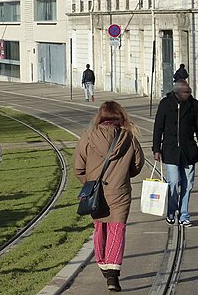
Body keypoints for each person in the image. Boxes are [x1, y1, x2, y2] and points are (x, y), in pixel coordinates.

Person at [74, 101, 145, 291]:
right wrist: (122, 175)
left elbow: (78, 167)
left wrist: (90, 184)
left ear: (101, 117)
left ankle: (104, 265)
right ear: (120, 116)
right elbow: (138, 165)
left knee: (100, 227)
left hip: (96, 192)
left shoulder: (88, 136)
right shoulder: (128, 137)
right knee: (117, 229)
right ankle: (113, 275)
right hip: (120, 192)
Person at [152, 80, 198, 227]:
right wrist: (156, 149)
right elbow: (158, 127)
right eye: (185, 92)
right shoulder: (165, 103)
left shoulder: (194, 105)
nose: (188, 94)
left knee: (188, 184)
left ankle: (184, 215)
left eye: (189, 92)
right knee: (173, 182)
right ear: (177, 92)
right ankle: (171, 212)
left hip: (189, 151)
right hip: (171, 150)